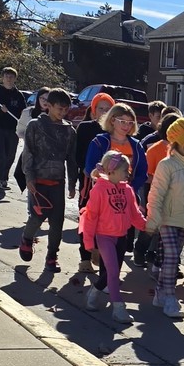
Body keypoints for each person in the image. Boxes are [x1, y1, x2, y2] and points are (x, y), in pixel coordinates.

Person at [82, 151, 147, 323]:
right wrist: (89, 241)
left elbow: (134, 214)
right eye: (125, 170)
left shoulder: (128, 190)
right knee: (112, 273)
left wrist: (147, 226)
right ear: (112, 171)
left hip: (121, 237)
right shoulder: (99, 189)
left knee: (113, 272)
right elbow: (90, 217)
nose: (128, 173)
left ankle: (94, 292)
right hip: (104, 237)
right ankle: (118, 308)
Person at [145, 118, 184, 319]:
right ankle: (170, 298)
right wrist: (153, 219)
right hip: (167, 220)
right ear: (180, 141)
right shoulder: (166, 165)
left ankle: (160, 293)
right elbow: (156, 193)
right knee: (170, 257)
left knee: (172, 259)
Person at [18, 88, 77, 273]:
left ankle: (52, 256)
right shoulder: (35, 126)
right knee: (37, 216)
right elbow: (28, 152)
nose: (62, 112)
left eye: (66, 109)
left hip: (57, 181)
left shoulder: (69, 131)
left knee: (57, 221)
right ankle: (27, 238)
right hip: (38, 180)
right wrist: (29, 177)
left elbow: (72, 159)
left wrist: (72, 184)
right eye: (59, 108)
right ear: (48, 106)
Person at [84, 104, 148, 259]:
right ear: (112, 120)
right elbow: (90, 168)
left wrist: (130, 188)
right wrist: (106, 181)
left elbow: (142, 172)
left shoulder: (136, 145)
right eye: (122, 121)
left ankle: (112, 263)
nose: (126, 126)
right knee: (100, 227)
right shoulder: (100, 141)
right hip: (104, 195)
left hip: (127, 194)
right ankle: (95, 255)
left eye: (130, 122)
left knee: (122, 235)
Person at [134, 110, 183, 269]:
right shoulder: (154, 149)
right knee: (152, 226)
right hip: (154, 193)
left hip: (175, 196)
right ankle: (140, 249)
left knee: (169, 228)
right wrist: (162, 180)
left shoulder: (182, 151)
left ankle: (164, 260)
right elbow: (146, 175)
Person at [75, 92, 114, 272]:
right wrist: (89, 170)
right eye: (101, 108)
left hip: (111, 182)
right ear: (93, 111)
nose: (104, 112)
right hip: (88, 180)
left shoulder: (115, 131)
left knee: (106, 220)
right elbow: (77, 156)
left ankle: (98, 251)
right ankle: (85, 258)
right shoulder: (85, 128)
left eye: (108, 109)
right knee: (87, 217)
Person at [0, 67, 26, 191]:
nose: (9, 79)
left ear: (15, 79)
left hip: (12, 129)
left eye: (11, 77)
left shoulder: (18, 95)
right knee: (0, 155)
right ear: (2, 78)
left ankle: (4, 179)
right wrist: (0, 111)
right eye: (7, 76)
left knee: (10, 155)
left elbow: (23, 112)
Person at [13, 87, 50, 192]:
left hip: (47, 154)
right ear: (38, 98)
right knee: (28, 175)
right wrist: (29, 138)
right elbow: (19, 131)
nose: (45, 101)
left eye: (48, 99)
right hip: (30, 151)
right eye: (42, 98)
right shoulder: (28, 112)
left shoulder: (53, 114)